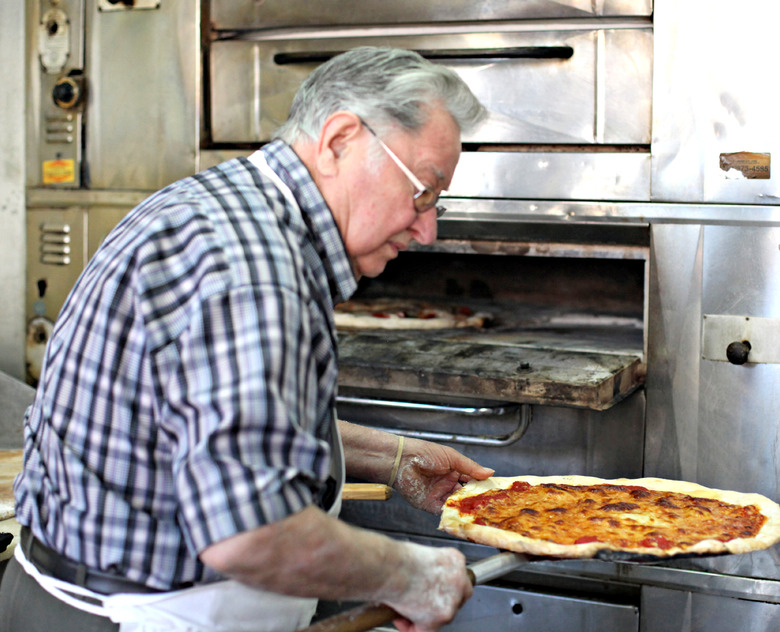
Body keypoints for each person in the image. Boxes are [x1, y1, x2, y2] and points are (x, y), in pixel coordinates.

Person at [0, 46, 490, 632]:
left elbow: (203, 424)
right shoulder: (257, 274)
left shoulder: (219, 208)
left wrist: (395, 458)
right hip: (139, 617)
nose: (427, 230)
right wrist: (413, 576)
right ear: (338, 140)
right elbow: (250, 534)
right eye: (423, 192)